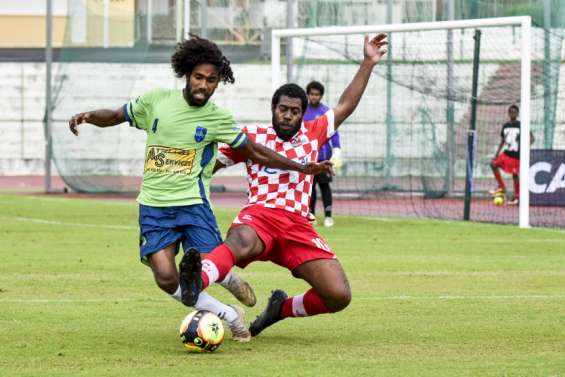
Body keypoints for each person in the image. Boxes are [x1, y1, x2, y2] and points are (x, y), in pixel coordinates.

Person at [68, 35, 332, 342]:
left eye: (211, 80)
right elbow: (116, 115)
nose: (204, 85)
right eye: (199, 77)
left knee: (208, 269)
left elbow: (254, 151)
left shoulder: (218, 118)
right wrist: (88, 116)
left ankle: (227, 279)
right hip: (154, 206)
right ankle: (228, 313)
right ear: (186, 74)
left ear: (218, 83)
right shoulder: (156, 101)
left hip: (193, 205)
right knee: (167, 279)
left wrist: (300, 167)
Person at [178, 33, 388, 337]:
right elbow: (209, 165)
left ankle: (281, 309)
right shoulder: (251, 137)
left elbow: (345, 105)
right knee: (238, 243)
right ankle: (196, 282)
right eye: (282, 109)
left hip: (298, 227)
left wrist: (368, 62)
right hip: (260, 216)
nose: (287, 115)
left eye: (294, 111)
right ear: (273, 108)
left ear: (302, 115)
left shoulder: (313, 133)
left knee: (338, 294)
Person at [305, 81, 342, 227]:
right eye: (312, 94)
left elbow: (334, 133)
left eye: (317, 94)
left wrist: (337, 149)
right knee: (310, 187)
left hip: (324, 157)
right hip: (308, 157)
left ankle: (328, 216)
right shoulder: (302, 111)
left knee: (325, 186)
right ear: (308, 95)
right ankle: (311, 214)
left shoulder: (327, 112)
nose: (314, 97)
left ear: (321, 96)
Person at [490, 104, 534, 205]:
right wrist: (497, 153)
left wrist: (525, 148)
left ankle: (517, 196)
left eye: (514, 112)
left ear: (517, 114)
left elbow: (532, 138)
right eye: (510, 112)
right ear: (508, 113)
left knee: (515, 175)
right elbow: (502, 140)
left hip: (517, 155)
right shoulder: (505, 126)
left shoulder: (522, 125)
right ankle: (502, 187)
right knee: (493, 164)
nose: (512, 114)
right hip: (507, 153)